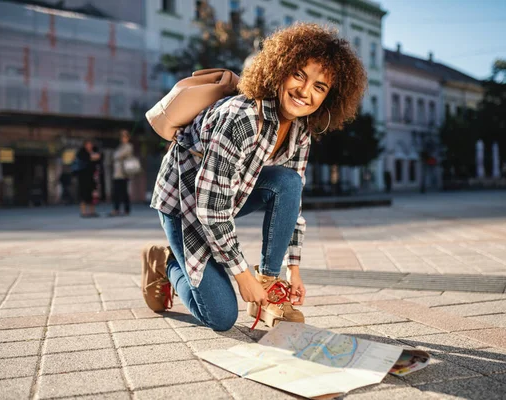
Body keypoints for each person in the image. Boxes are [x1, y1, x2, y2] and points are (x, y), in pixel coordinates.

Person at [142, 23, 367, 331]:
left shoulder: (300, 132)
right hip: (186, 203)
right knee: (220, 317)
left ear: (329, 97)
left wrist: (293, 270)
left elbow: (292, 200)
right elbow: (209, 210)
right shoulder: (241, 118)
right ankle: (167, 262)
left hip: (228, 196)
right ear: (280, 68)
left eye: (320, 86)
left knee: (288, 182)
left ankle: (270, 286)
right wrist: (242, 275)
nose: (305, 91)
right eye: (299, 75)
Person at [110, 130, 134, 216]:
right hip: (117, 173)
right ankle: (116, 209)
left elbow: (118, 155)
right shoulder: (120, 146)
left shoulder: (128, 146)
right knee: (116, 192)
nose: (123, 138)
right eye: (122, 137)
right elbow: (115, 156)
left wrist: (117, 155)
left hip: (124, 173)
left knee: (124, 192)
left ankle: (126, 209)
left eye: (125, 136)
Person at [74, 140, 101, 217]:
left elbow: (99, 158)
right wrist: (92, 157)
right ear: (85, 145)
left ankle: (92, 212)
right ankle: (83, 212)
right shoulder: (81, 153)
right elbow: (87, 159)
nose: (89, 146)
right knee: (83, 194)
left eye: (90, 144)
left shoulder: (95, 150)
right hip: (83, 177)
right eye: (88, 144)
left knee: (92, 194)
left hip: (92, 176)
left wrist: (93, 157)